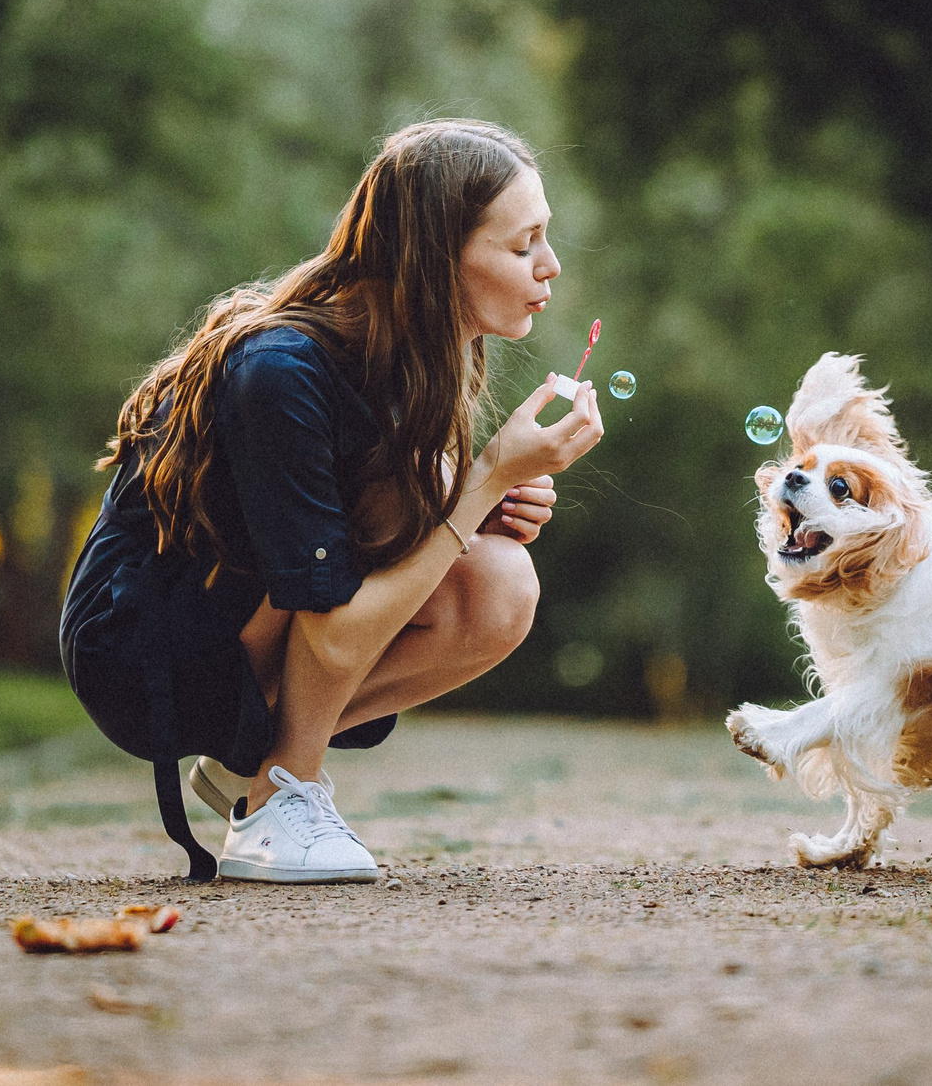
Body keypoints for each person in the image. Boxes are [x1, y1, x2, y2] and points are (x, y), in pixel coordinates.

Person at [59, 119, 603, 883]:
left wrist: (485, 491)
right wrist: (479, 485)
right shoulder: (283, 372)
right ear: (435, 258)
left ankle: (257, 767)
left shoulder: (413, 359)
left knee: (500, 584)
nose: (549, 267)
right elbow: (338, 613)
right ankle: (283, 794)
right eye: (523, 245)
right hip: (139, 646)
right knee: (392, 506)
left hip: (238, 624)